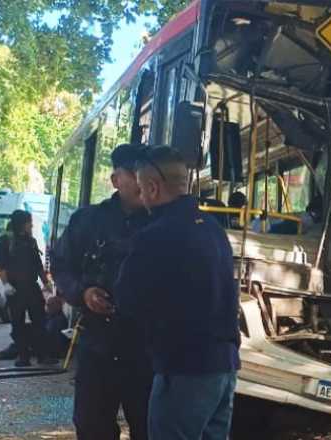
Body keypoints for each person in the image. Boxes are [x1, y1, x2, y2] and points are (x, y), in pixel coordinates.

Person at [115, 146, 240, 440]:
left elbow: (127, 299)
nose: (141, 197)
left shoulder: (155, 236)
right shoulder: (213, 229)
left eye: (142, 189)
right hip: (224, 367)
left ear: (153, 188)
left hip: (183, 369)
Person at [50, 143, 153, 440]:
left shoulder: (162, 223)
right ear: (115, 180)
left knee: (150, 427)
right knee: (93, 427)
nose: (139, 181)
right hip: (99, 344)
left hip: (147, 349)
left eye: (145, 174)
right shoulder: (88, 221)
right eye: (132, 174)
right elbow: (61, 266)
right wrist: (83, 293)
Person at [0, 209, 55, 367]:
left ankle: (43, 355)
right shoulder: (5, 241)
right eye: (29, 222)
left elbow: (38, 265)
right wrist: (6, 284)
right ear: (21, 224)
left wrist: (46, 283)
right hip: (15, 289)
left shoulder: (30, 241)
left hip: (31, 287)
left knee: (40, 321)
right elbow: (0, 265)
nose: (31, 225)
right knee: (18, 323)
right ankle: (23, 356)